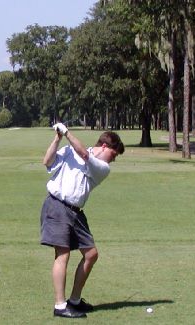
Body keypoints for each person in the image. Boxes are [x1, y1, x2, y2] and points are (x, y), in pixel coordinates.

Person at [40, 123, 125, 318]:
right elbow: (47, 161)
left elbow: (85, 155)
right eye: (113, 155)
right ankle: (60, 306)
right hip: (57, 205)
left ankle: (75, 300)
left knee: (91, 254)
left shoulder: (102, 168)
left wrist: (67, 132)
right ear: (104, 146)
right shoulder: (70, 149)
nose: (113, 160)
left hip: (76, 212)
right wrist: (57, 139)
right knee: (63, 255)